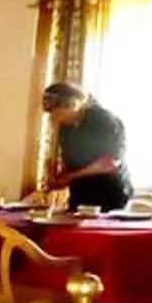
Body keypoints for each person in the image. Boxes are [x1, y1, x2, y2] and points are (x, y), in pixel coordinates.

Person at [42, 82, 132, 211]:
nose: (54, 118)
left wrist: (71, 176)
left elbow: (110, 163)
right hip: (80, 193)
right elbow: (71, 162)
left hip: (109, 192)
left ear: (72, 104)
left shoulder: (104, 121)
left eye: (56, 113)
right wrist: (59, 179)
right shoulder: (66, 127)